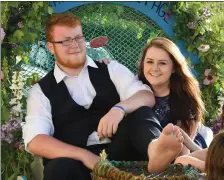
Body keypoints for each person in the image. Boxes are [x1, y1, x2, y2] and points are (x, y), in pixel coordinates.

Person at [22, 13, 183, 180]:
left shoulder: (111, 69)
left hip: (120, 152)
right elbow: (35, 140)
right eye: (66, 41)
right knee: (58, 168)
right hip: (76, 164)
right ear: (50, 47)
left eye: (78, 37)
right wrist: (83, 155)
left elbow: (146, 96)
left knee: (141, 112)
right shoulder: (41, 91)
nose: (75, 45)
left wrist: (118, 109)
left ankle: (156, 151)